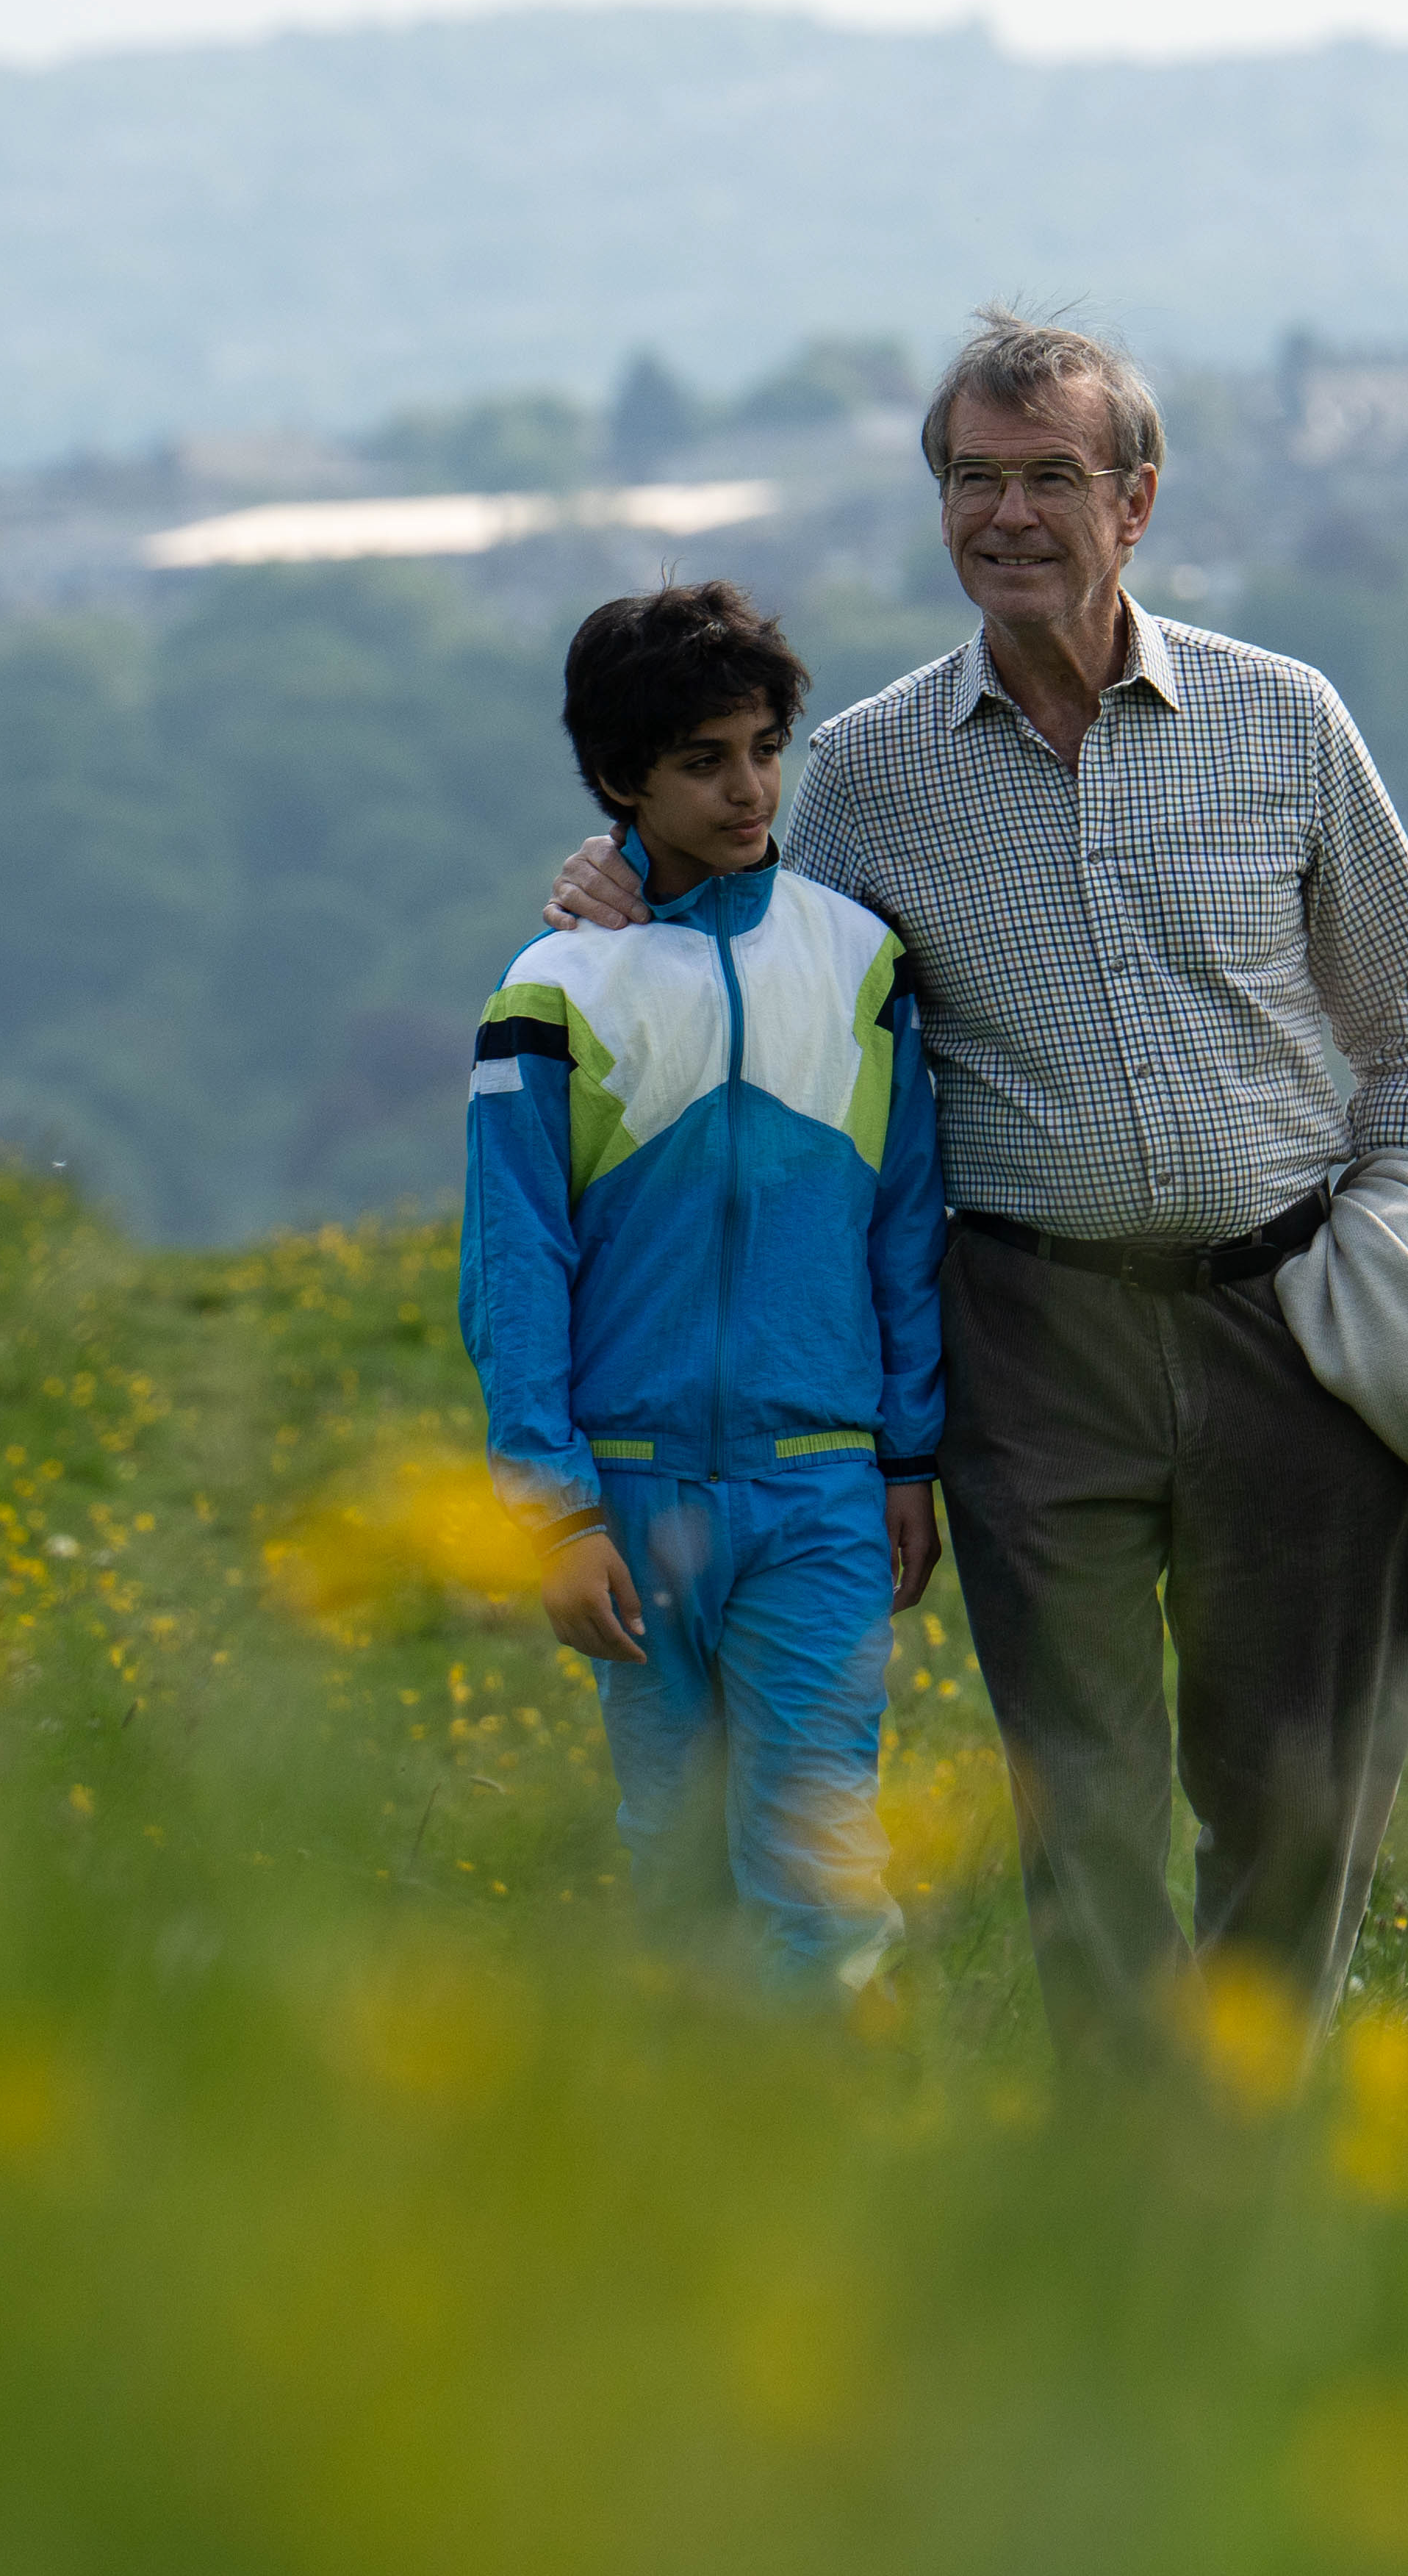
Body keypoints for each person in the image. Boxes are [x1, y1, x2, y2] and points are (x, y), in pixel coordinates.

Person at [547, 311, 1408, 2054]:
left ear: (1132, 501)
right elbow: (760, 941)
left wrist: (1397, 1219)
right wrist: (621, 872)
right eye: (970, 479)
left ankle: (1245, 2157)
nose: (1006, 514)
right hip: (1030, 1342)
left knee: (1295, 1798)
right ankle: (1118, 2187)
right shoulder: (870, 773)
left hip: (1294, 1331)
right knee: (1080, 1805)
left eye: (1047, 476)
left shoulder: (1282, 720)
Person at [465, 581, 946, 1994]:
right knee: (673, 1873)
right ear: (619, 779)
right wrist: (549, 1510)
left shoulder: (862, 965)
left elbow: (904, 1229)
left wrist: (908, 1456)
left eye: (761, 748)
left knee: (819, 1866)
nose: (749, 790)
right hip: (630, 1494)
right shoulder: (553, 988)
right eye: (700, 761)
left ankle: (843, 2174)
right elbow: (513, 1265)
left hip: (821, 1491)